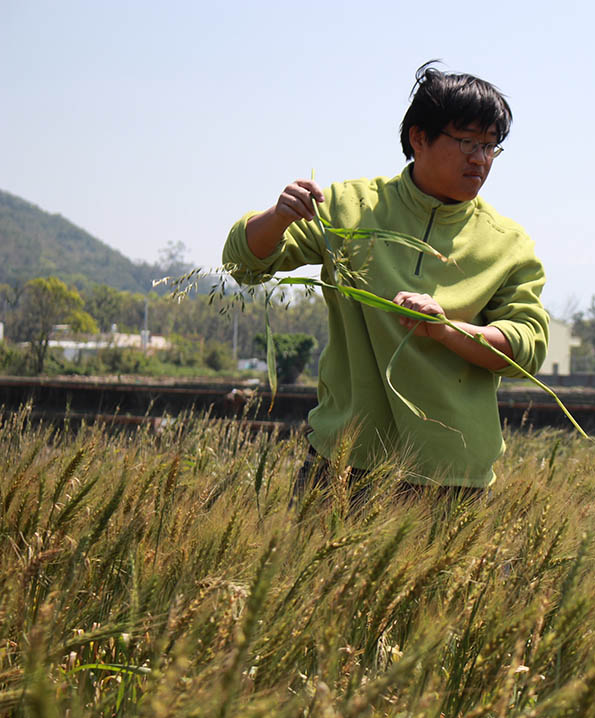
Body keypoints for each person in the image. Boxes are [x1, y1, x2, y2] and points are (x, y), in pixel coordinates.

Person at [223, 62, 548, 500]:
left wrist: (447, 329)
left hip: (450, 473)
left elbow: (526, 348)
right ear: (419, 137)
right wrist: (278, 216)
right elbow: (244, 265)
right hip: (343, 459)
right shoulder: (347, 207)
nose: (481, 159)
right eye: (468, 141)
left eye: (491, 146)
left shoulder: (507, 243)